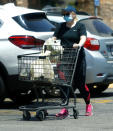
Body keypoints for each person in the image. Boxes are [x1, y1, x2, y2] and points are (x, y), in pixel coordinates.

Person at [52, 5, 93, 117]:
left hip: (78, 57)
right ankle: (65, 108)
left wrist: (79, 44)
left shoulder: (80, 26)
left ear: (74, 14)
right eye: (64, 14)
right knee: (64, 83)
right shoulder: (60, 26)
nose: (66, 16)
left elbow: (83, 37)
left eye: (68, 13)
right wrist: (51, 42)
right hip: (65, 58)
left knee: (80, 83)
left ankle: (88, 104)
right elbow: (54, 38)